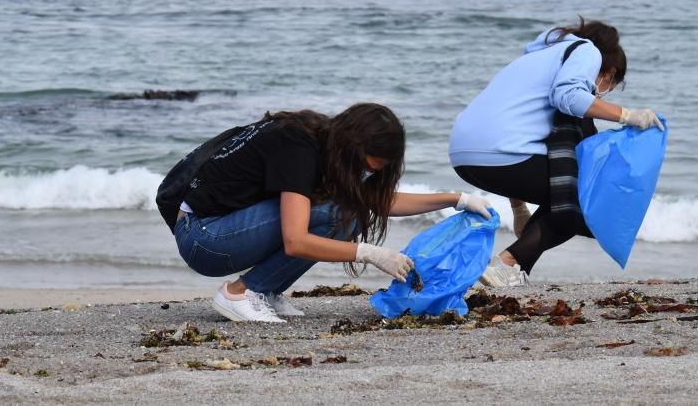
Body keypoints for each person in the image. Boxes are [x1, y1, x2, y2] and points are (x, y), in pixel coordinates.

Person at [166, 103, 492, 323]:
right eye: (366, 167)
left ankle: (264, 290)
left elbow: (379, 200)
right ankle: (239, 293)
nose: (367, 174)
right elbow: (295, 241)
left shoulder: (326, 141)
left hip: (220, 230)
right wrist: (369, 253)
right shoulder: (297, 147)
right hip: (204, 238)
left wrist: (457, 199)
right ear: (353, 146)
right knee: (339, 213)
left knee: (344, 209)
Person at [448, 18, 664, 287]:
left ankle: (515, 272)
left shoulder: (536, 59)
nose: (603, 94)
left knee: (564, 193)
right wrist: (627, 115)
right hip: (500, 152)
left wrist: (518, 208)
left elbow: (516, 129)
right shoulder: (587, 51)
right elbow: (570, 97)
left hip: (465, 155)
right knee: (582, 201)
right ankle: (508, 263)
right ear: (608, 73)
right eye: (610, 85)